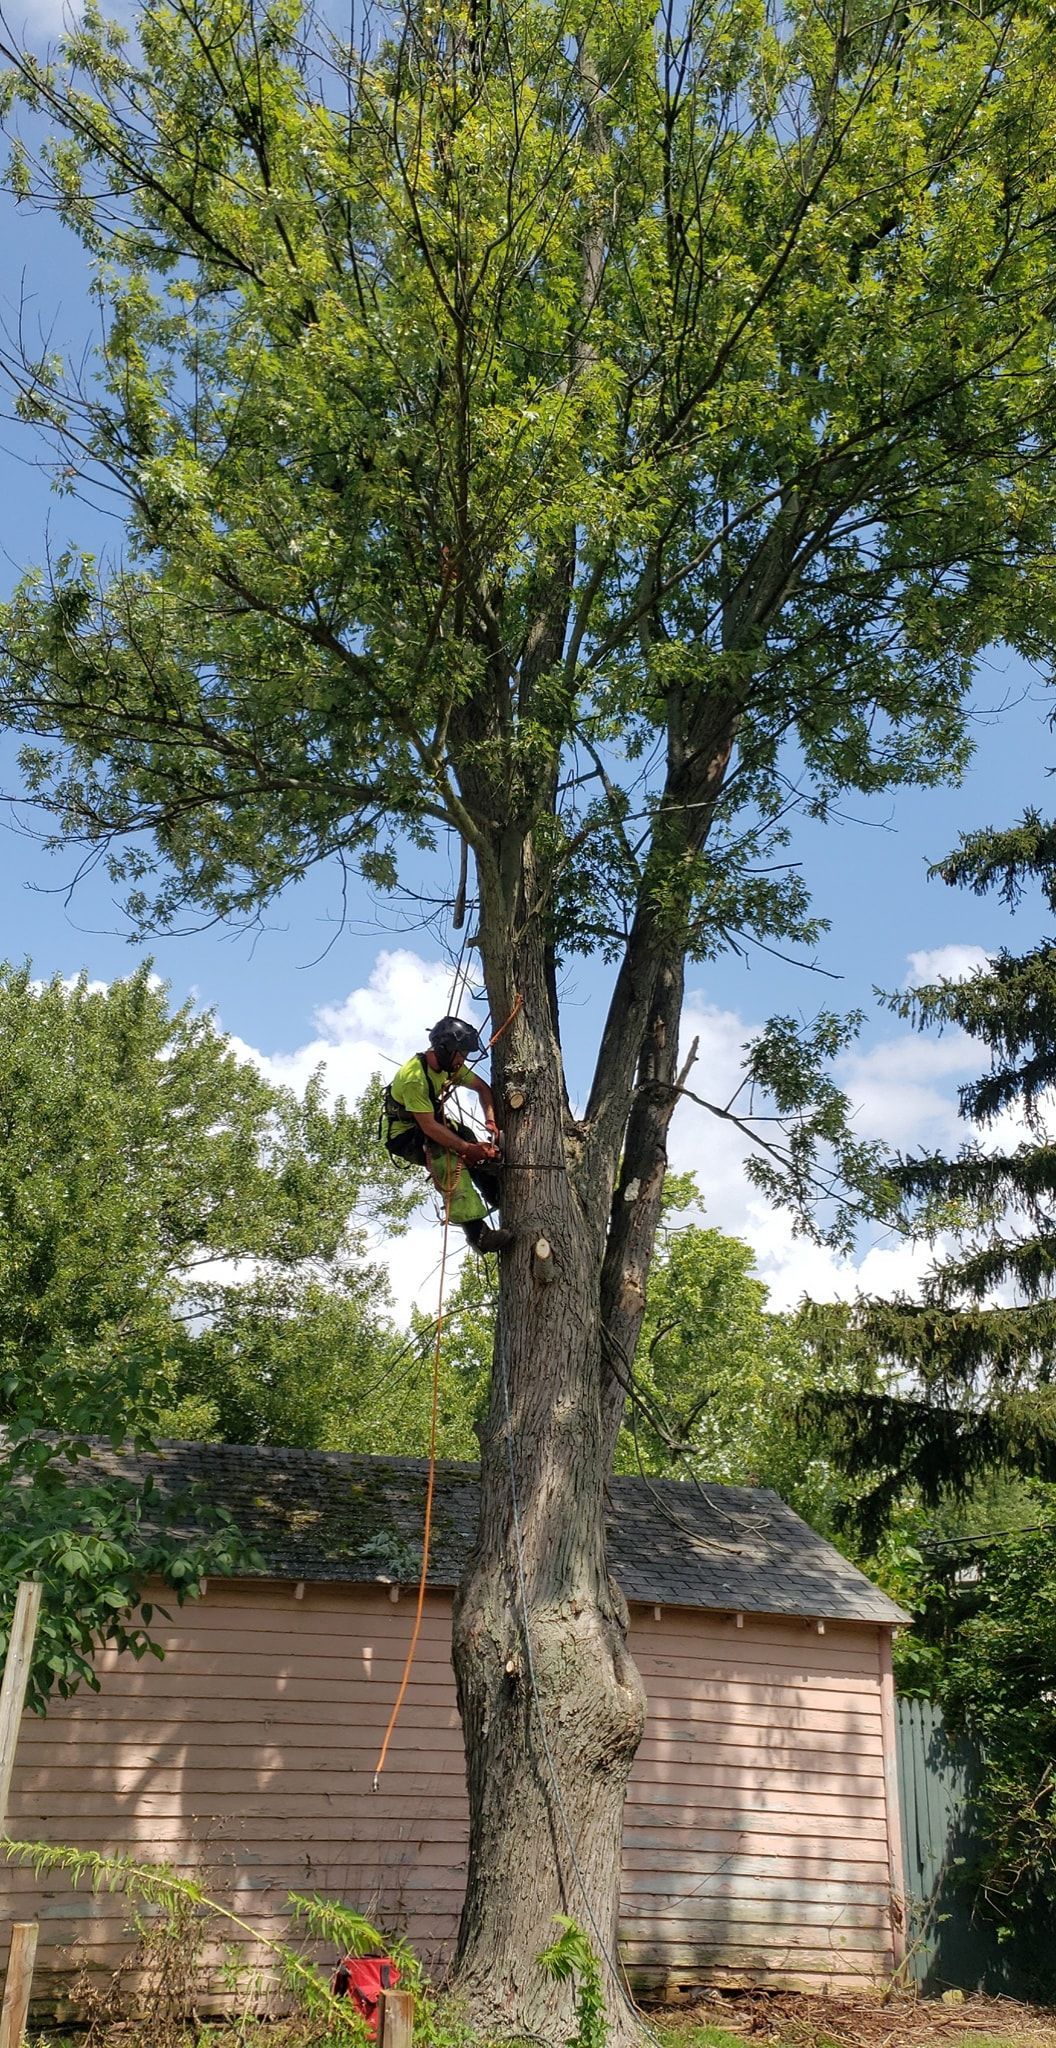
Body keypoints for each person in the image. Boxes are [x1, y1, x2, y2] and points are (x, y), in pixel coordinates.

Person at [383, 1016, 513, 1253]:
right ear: (445, 1050)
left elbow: (482, 1088)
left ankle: (494, 1191)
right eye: (460, 1054)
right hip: (404, 1135)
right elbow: (429, 1127)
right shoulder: (415, 1078)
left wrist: (491, 1120)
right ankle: (478, 1235)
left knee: (465, 1135)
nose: (462, 1060)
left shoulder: (449, 1066)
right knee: (447, 1156)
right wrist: (467, 1149)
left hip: (426, 1123)